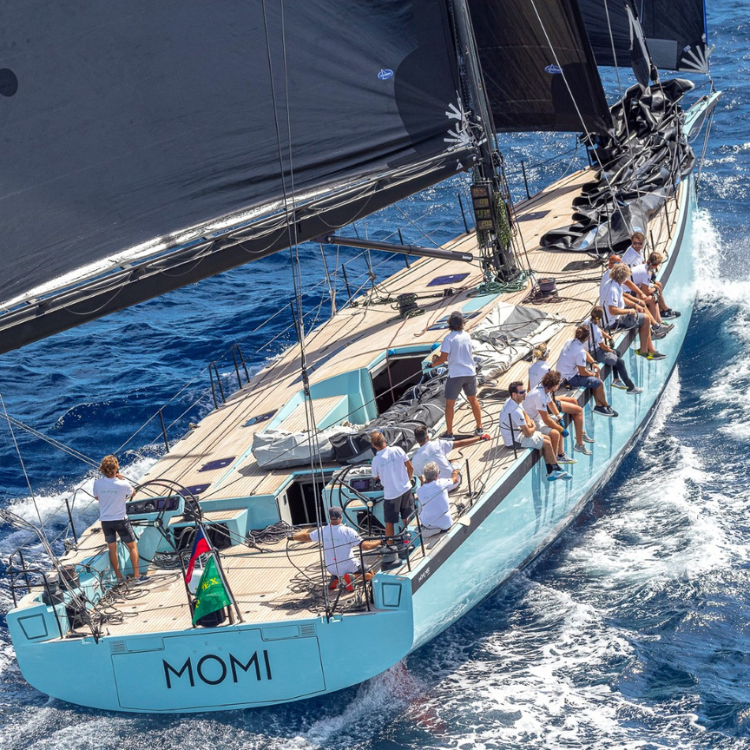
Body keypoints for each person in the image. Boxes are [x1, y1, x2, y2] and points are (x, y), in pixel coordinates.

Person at [291, 506, 381, 591]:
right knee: (371, 574)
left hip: (331, 568)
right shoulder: (348, 531)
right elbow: (366, 546)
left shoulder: (322, 530)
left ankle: (336, 577)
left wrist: (292, 537)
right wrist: (380, 541)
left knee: (338, 568)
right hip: (348, 566)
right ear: (341, 517)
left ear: (329, 518)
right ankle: (352, 577)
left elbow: (305, 537)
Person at [498, 381, 571, 481]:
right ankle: (555, 468)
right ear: (514, 394)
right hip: (514, 441)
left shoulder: (513, 401)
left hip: (517, 433)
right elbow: (528, 433)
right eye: (522, 392)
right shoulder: (515, 411)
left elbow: (524, 412)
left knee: (547, 438)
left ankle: (551, 470)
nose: (525, 393)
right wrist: (534, 427)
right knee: (546, 443)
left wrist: (530, 422)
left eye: (525, 390)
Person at [93, 455, 147, 584]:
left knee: (112, 549)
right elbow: (132, 493)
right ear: (116, 468)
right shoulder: (123, 484)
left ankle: (119, 577)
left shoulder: (97, 483)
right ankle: (137, 577)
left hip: (106, 522)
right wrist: (121, 480)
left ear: (102, 469)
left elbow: (97, 497)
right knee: (132, 547)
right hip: (121, 521)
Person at [430, 310, 483, 439]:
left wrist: (432, 365)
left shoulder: (448, 339)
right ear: (462, 323)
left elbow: (442, 359)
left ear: (450, 324)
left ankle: (449, 433)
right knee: (473, 400)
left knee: (450, 404)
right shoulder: (467, 336)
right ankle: (479, 428)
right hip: (470, 373)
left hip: (455, 375)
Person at [603, 264, 666, 360]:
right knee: (645, 319)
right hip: (612, 322)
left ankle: (651, 345)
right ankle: (644, 351)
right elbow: (612, 310)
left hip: (611, 318)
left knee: (642, 313)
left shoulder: (612, 283)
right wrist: (629, 310)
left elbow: (622, 298)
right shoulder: (613, 290)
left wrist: (636, 304)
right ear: (622, 277)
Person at [556, 326, 618, 417]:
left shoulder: (570, 341)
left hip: (562, 374)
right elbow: (583, 373)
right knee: (599, 382)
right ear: (587, 337)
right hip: (570, 379)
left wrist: (593, 362)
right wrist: (593, 374)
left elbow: (584, 351)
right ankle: (606, 405)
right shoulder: (579, 352)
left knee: (594, 381)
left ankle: (599, 405)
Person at [531, 370, 595, 457]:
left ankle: (580, 434)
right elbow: (546, 420)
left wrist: (559, 416)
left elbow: (551, 402)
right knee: (576, 412)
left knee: (572, 402)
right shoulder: (540, 396)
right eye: (558, 383)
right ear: (553, 386)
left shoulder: (544, 388)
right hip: (535, 420)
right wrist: (561, 430)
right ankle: (563, 452)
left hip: (539, 413)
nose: (559, 384)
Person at [586, 305, 642, 394]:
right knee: (620, 362)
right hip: (594, 353)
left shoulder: (587, 322)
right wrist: (610, 350)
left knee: (617, 353)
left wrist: (608, 337)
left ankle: (616, 379)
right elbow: (603, 347)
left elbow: (598, 330)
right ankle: (630, 387)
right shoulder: (596, 331)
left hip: (588, 350)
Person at [370, 430, 414, 540]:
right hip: (406, 489)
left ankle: (390, 546)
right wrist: (407, 481)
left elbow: (374, 477)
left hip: (391, 496)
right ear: (385, 440)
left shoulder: (376, 460)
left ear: (373, 445)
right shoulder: (398, 450)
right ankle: (413, 540)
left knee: (389, 523)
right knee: (407, 516)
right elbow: (410, 467)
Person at [411, 424, 489, 483]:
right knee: (454, 461)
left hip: (436, 489)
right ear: (427, 437)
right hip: (454, 482)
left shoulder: (415, 459)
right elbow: (460, 443)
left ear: (416, 440)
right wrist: (480, 438)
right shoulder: (438, 444)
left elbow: (421, 481)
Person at [631, 251, 680, 321]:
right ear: (656, 265)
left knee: (658, 285)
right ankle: (657, 319)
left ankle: (664, 309)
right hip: (629, 291)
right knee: (653, 297)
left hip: (634, 286)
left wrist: (655, 287)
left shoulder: (645, 266)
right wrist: (655, 289)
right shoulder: (647, 273)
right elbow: (645, 292)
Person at [416, 463, 459, 537]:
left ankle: (430, 529)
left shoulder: (419, 491)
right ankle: (438, 529)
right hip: (446, 524)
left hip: (429, 525)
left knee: (420, 505)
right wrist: (455, 472)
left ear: (425, 476)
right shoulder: (441, 483)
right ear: (436, 475)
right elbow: (455, 480)